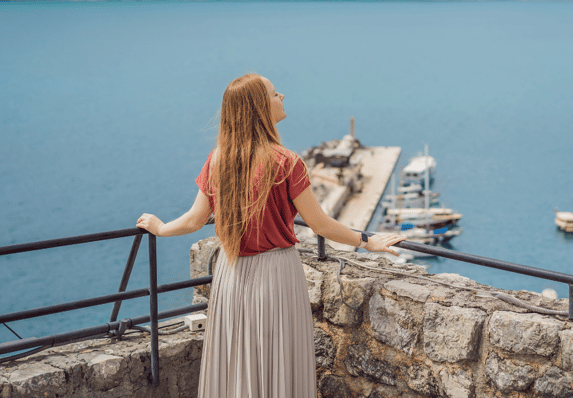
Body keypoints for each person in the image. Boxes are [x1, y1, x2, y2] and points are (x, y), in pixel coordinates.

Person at [136, 73, 405, 398]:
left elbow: (194, 220)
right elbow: (320, 225)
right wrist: (367, 240)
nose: (283, 96)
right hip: (277, 275)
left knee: (236, 364)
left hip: (232, 275)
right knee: (278, 364)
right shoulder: (286, 163)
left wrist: (160, 228)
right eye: (276, 94)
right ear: (260, 107)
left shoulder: (218, 160)